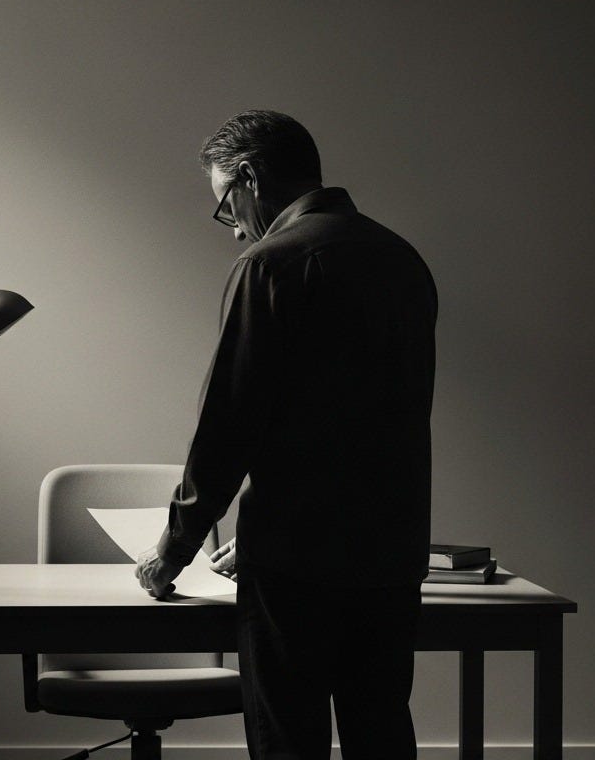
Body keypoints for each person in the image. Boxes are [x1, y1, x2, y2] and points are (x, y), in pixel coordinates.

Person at [134, 109, 438, 759]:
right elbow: (384, 424)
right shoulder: (401, 260)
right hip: (392, 552)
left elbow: (228, 428)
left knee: (288, 744)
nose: (234, 226)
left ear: (247, 178)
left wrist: (173, 551)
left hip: (297, 567)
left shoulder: (271, 263)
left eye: (226, 205)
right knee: (381, 733)